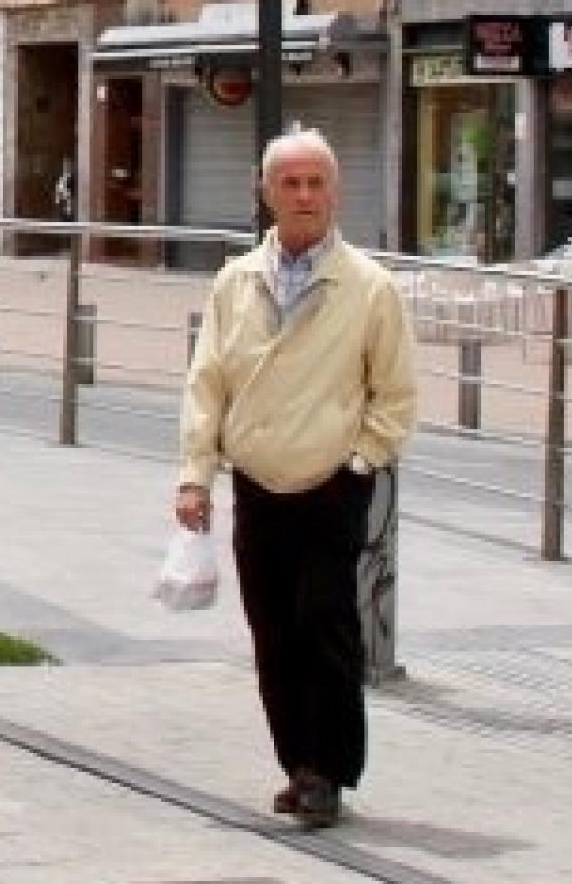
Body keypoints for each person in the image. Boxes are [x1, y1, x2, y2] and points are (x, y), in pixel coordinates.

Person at [173, 129, 416, 831]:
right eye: (291, 183)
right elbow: (206, 381)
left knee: (327, 627)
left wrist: (361, 462)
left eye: (316, 183)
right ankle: (296, 762)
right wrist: (196, 474)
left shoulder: (369, 287)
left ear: (334, 193)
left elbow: (395, 394)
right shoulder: (235, 281)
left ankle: (328, 770)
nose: (305, 196)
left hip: (331, 483)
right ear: (267, 192)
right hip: (257, 479)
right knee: (272, 631)